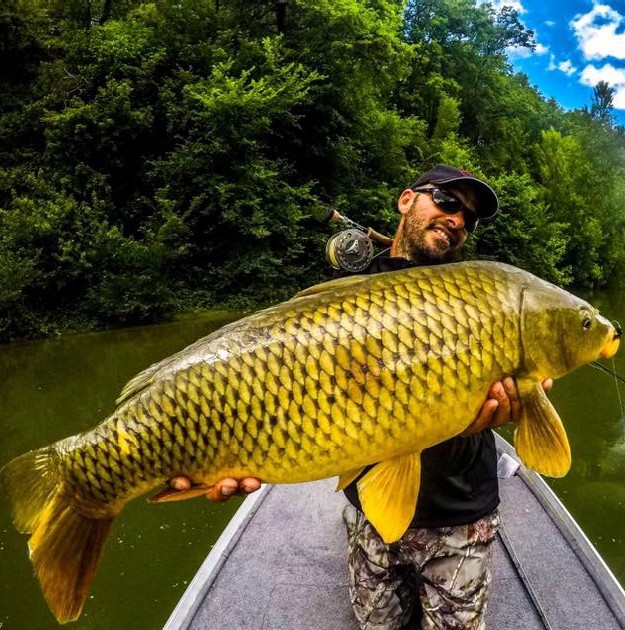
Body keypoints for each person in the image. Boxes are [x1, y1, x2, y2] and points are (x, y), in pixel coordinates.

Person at [170, 165, 551, 629]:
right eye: (448, 202)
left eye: (468, 219)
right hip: (371, 511)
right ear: (406, 200)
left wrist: (515, 408)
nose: (457, 220)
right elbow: (290, 399)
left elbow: (539, 432)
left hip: (460, 515)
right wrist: (231, 449)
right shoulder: (345, 301)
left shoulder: (482, 302)